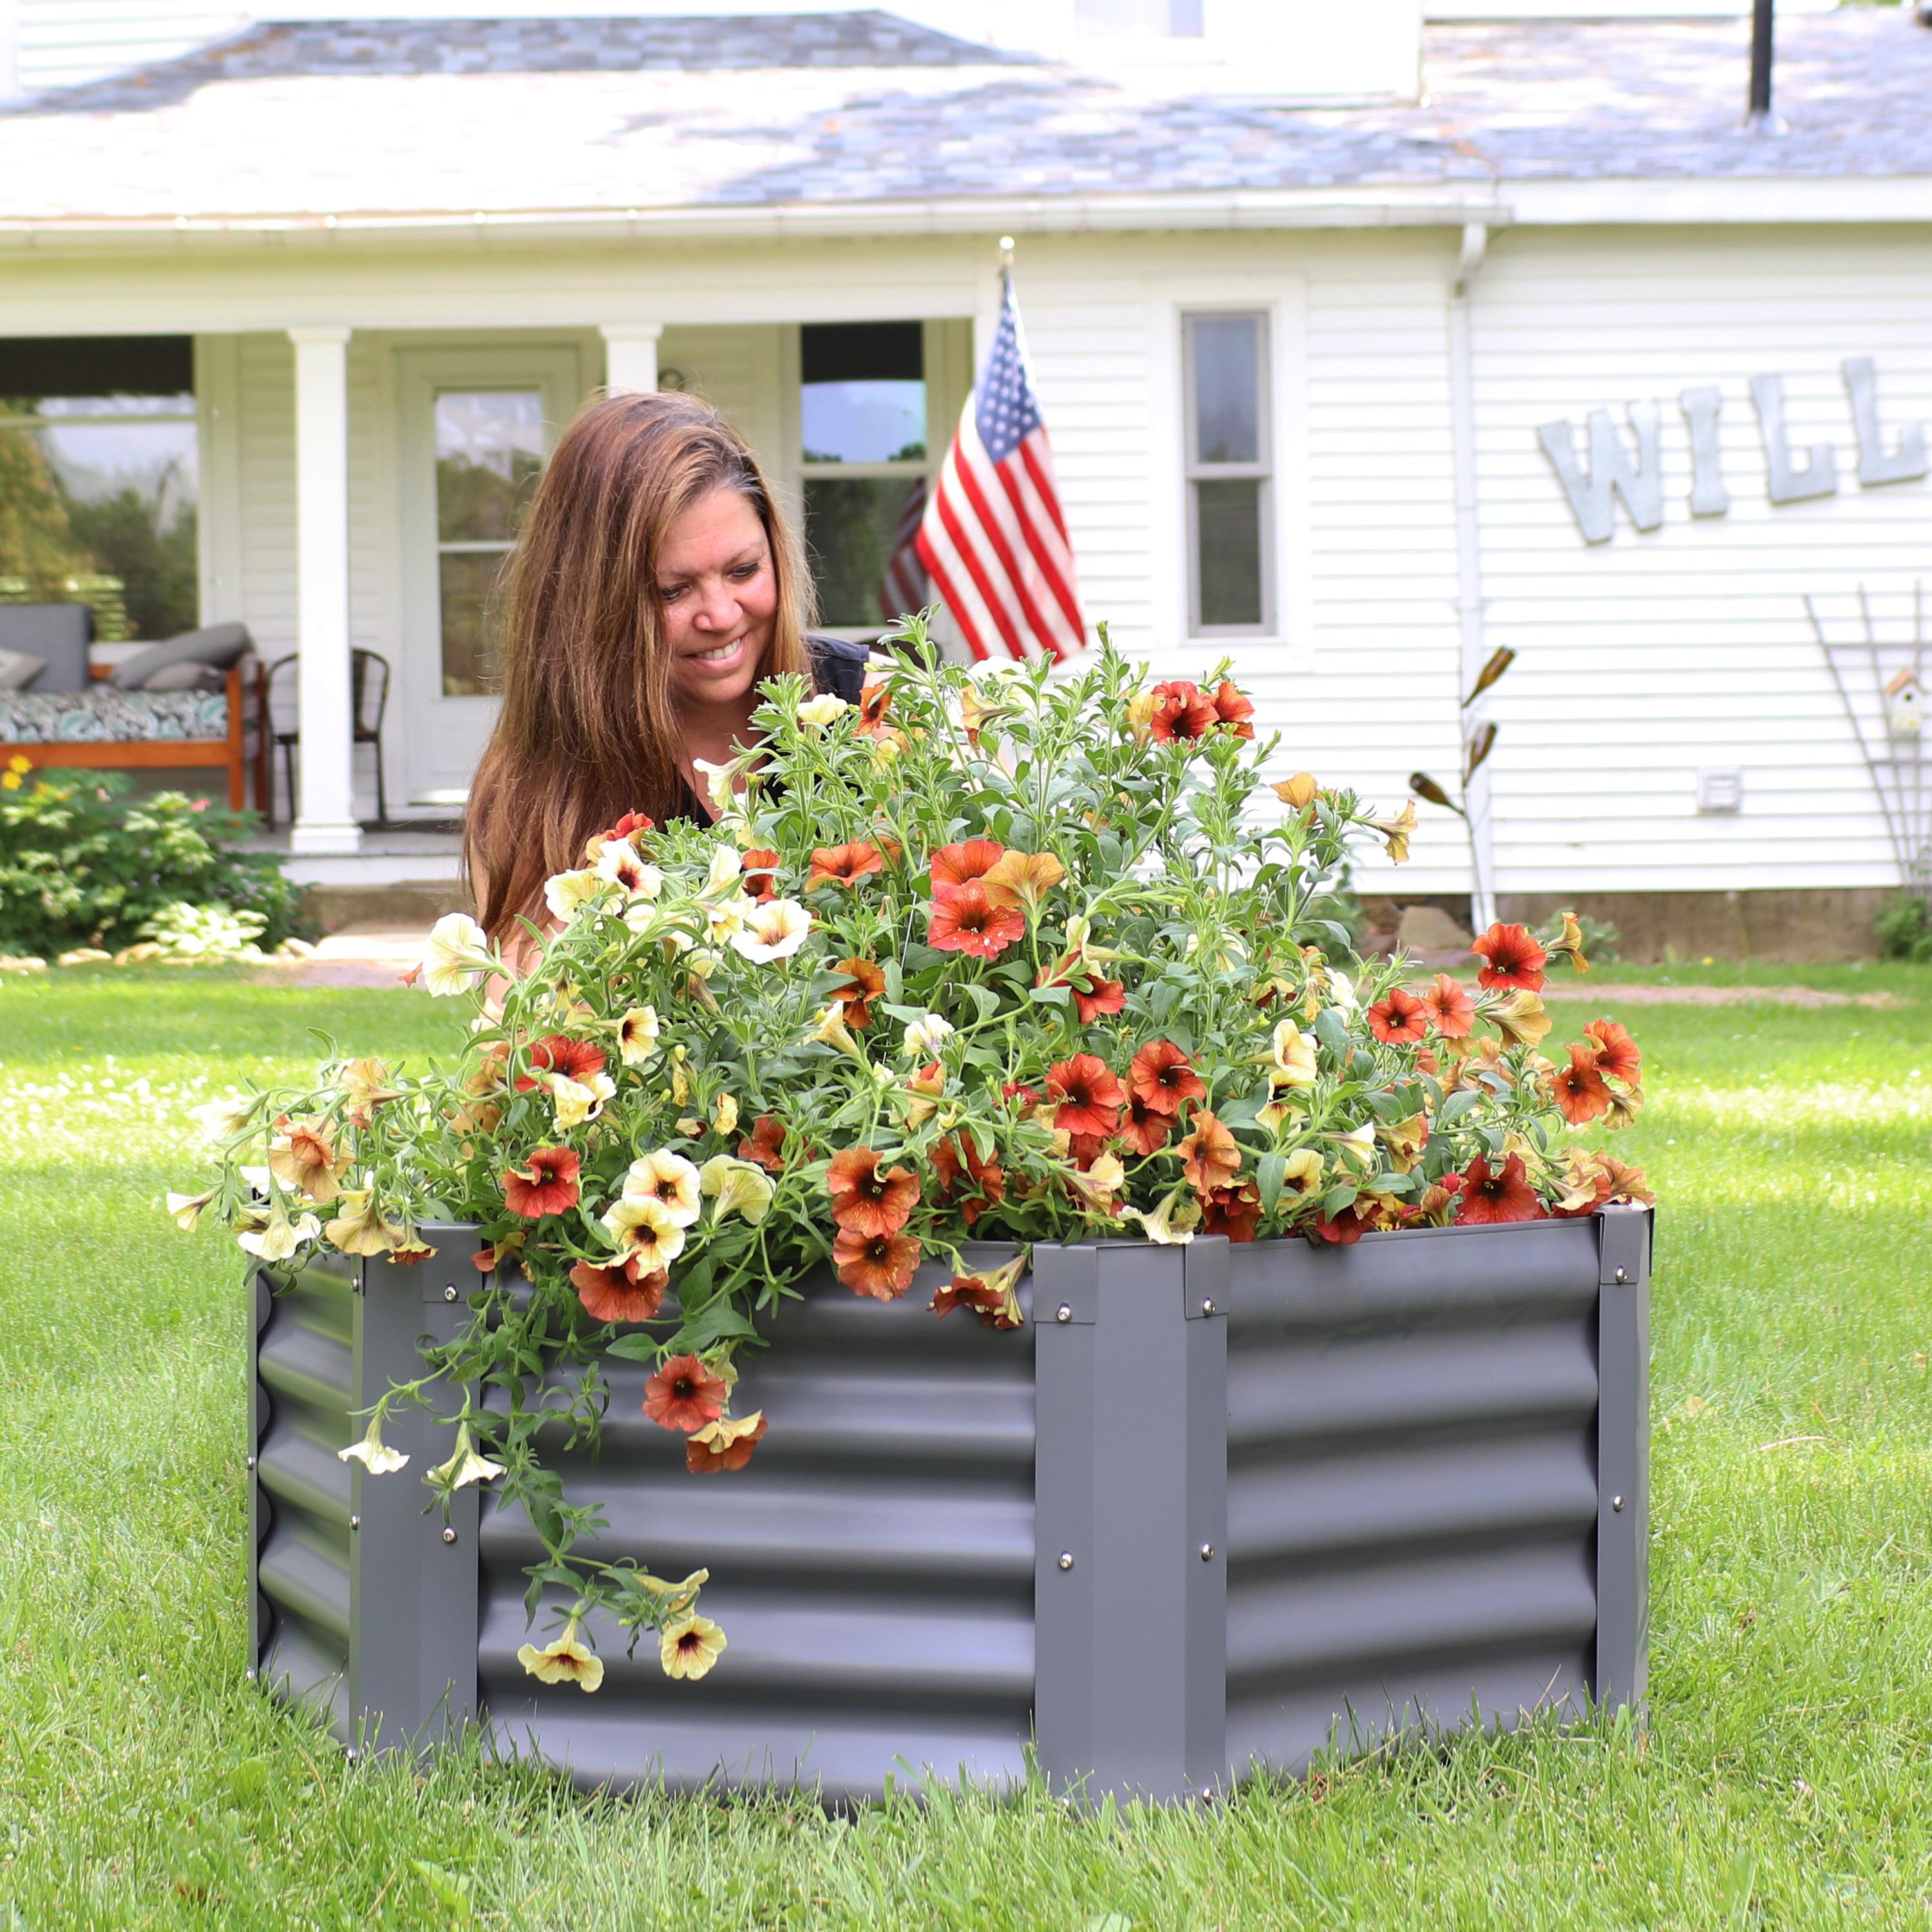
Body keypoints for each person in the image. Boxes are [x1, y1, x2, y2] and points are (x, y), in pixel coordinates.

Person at [464, 388, 869, 942]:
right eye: (673, 591)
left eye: (744, 570)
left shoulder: (872, 703)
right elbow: (531, 1012)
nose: (722, 615)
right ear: (592, 606)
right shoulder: (547, 789)